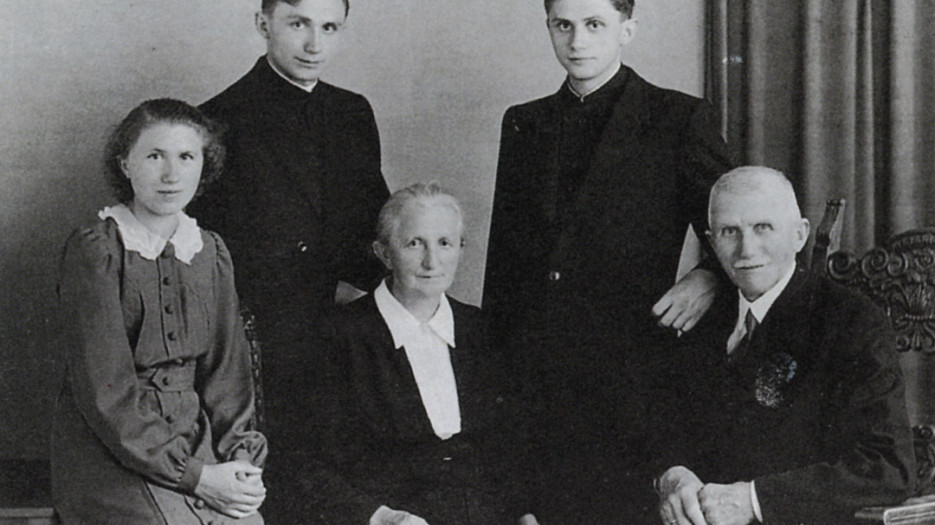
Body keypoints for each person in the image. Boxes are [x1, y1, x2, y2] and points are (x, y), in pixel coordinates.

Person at [483, 0, 733, 519]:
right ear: (549, 27)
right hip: (539, 373)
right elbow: (504, 268)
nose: (578, 42)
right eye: (563, 26)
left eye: (595, 25)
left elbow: (735, 226)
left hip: (633, 369)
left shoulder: (679, 117)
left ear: (627, 30)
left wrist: (710, 273)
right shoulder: (523, 123)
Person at [186, 0, 389, 484]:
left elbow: (375, 223)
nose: (314, 44)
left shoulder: (352, 112)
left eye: (329, 27)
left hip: (349, 323)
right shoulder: (216, 120)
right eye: (298, 24)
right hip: (261, 333)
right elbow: (205, 250)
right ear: (264, 24)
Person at [655, 166, 915, 525]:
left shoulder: (850, 320)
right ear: (711, 242)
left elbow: (890, 466)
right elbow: (661, 427)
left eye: (763, 228)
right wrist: (672, 474)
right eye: (730, 232)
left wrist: (753, 501)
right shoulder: (702, 319)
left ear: (799, 235)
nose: (747, 249)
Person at [51, 99, 268, 524]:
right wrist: (196, 476)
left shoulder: (210, 252)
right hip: (109, 450)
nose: (171, 175)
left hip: (193, 437)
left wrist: (240, 459)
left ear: (204, 165)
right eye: (154, 156)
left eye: (186, 157)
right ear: (125, 164)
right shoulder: (96, 252)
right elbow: (105, 393)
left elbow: (229, 374)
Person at [291, 183, 539, 524]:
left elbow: (507, 449)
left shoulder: (479, 330)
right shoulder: (339, 338)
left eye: (445, 243)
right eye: (414, 243)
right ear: (383, 253)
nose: (431, 262)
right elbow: (304, 465)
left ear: (460, 250)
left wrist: (524, 514)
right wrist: (378, 517)